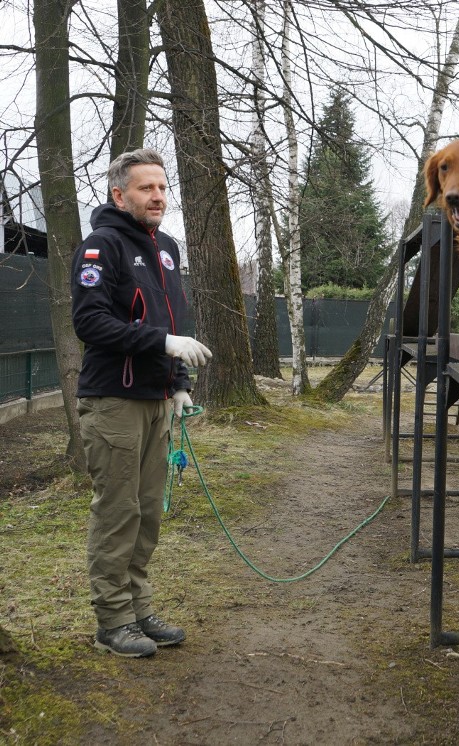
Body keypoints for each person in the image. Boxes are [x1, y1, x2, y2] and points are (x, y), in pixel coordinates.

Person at [70, 148, 212, 658]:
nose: (157, 196)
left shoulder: (167, 247)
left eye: (161, 187)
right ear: (119, 194)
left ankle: (138, 608)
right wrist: (161, 343)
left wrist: (179, 383)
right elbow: (89, 323)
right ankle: (112, 621)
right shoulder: (100, 246)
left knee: (149, 510)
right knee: (118, 511)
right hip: (113, 401)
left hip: (157, 400)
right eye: (145, 188)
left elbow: (169, 321)